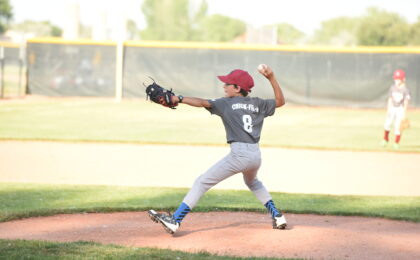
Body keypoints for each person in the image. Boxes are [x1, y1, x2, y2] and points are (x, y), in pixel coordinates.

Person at [148, 65, 288, 234]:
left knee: (202, 182)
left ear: (237, 88)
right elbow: (280, 102)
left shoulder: (226, 103)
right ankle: (278, 216)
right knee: (252, 182)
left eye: (227, 84)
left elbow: (202, 102)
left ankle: (175, 220)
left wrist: (179, 98)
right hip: (255, 156)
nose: (224, 86)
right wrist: (271, 77)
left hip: (239, 155)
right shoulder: (258, 103)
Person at [381, 69, 411, 149]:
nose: (396, 80)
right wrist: (388, 109)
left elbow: (406, 102)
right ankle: (385, 139)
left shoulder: (405, 90)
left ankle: (396, 143)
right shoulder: (392, 88)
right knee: (387, 123)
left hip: (400, 109)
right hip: (392, 108)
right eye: (395, 78)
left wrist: (404, 113)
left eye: (398, 78)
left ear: (403, 79)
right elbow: (390, 99)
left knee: (398, 126)